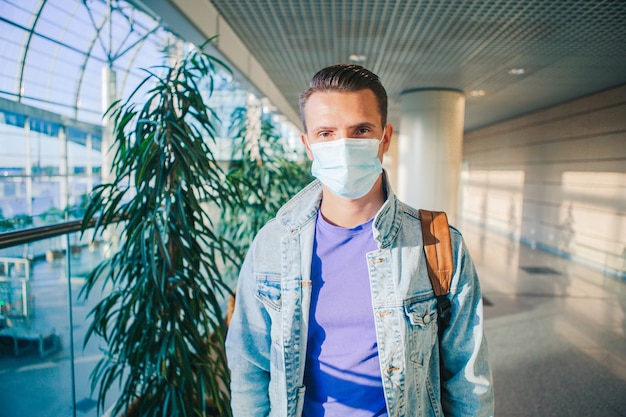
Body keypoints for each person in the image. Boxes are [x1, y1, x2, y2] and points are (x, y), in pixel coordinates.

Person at [225, 64, 494, 417]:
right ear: (308, 144)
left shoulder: (437, 244)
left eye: (361, 130)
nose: (344, 145)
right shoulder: (273, 244)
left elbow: (467, 378)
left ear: (385, 138)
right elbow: (249, 366)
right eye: (326, 133)